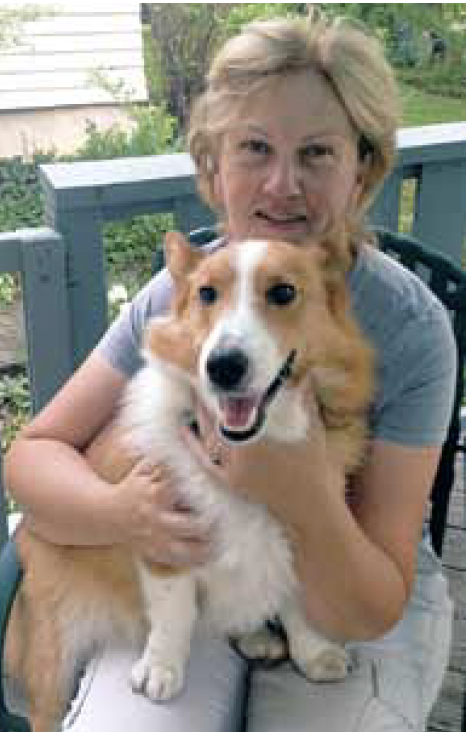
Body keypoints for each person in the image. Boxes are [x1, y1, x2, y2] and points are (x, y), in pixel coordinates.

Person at [4, 15, 456, 732]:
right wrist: (121, 514)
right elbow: (31, 456)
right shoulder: (183, 293)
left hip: (349, 582)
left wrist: (300, 490)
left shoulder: (412, 329)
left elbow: (365, 608)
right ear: (213, 167)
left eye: (316, 152)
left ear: (363, 169)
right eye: (254, 148)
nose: (282, 184)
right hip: (189, 575)